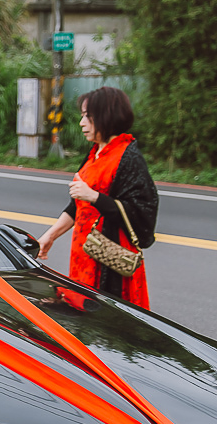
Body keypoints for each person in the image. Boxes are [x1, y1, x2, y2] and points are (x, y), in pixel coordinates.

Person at [36, 86, 157, 309]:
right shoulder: (95, 153)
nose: (82, 123)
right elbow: (76, 206)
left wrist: (94, 196)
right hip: (84, 252)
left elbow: (142, 209)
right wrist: (50, 236)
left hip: (107, 259)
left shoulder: (127, 156)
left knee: (107, 321)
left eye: (87, 117)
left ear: (105, 116)